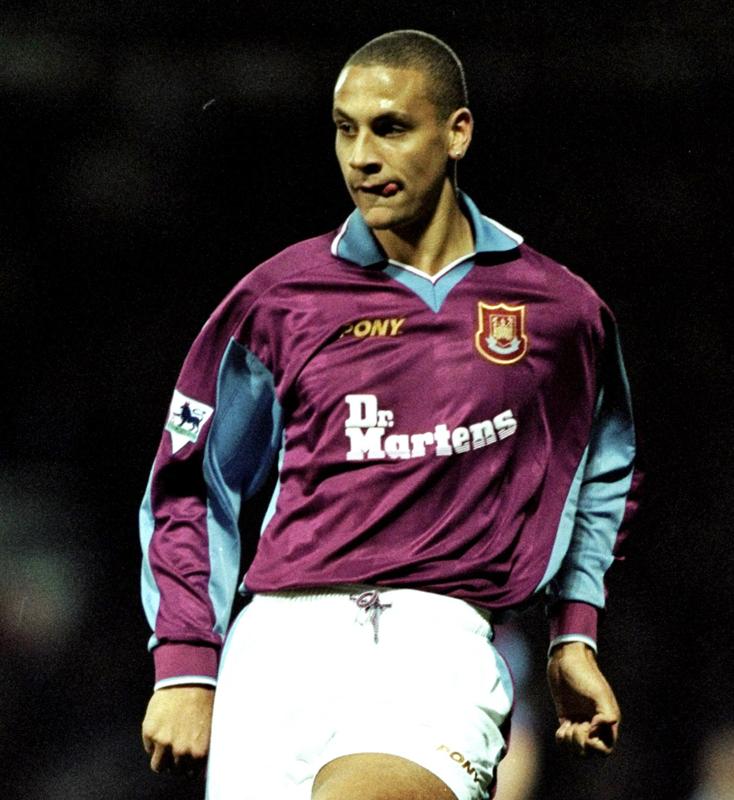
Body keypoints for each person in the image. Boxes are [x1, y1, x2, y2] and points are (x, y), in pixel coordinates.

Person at [140, 29, 638, 800]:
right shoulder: (279, 298)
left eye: (391, 128)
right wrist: (184, 662)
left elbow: (600, 473)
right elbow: (195, 483)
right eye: (346, 130)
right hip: (272, 652)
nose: (362, 157)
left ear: (457, 133)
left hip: (433, 647)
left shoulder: (559, 312)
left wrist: (573, 632)